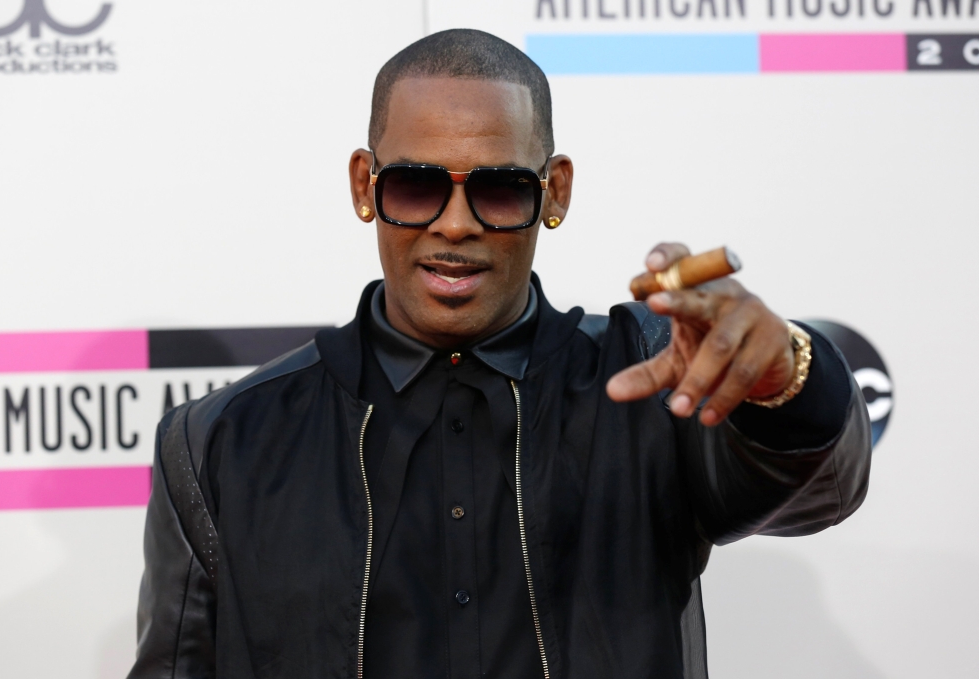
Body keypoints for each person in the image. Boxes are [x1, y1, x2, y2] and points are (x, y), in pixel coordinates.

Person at [128, 29, 870, 679]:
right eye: (417, 186)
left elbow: (818, 492)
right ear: (366, 185)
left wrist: (788, 381)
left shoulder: (649, 380)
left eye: (501, 190)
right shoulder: (220, 442)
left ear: (555, 193)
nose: (455, 225)